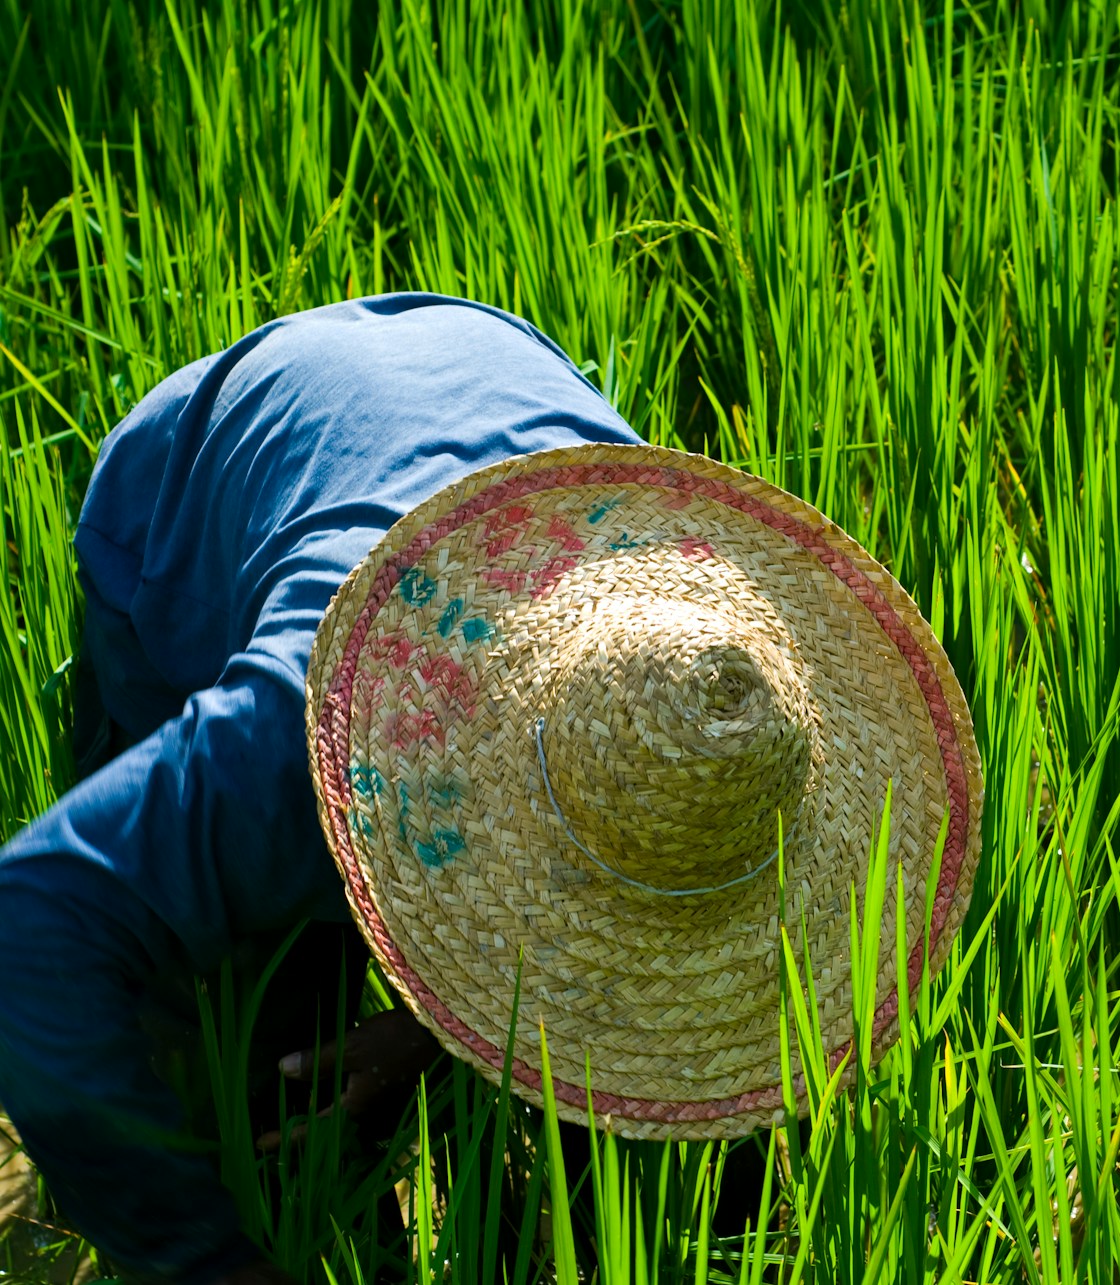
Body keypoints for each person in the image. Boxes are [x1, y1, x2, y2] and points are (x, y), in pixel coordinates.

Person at [0, 294, 984, 1283]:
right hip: (200, 468)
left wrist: (432, 1035)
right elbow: (30, 923)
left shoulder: (724, 685)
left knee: (662, 1085)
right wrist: (208, 1262)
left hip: (485, 365)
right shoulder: (292, 735)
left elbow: (620, 929)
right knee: (246, 1054)